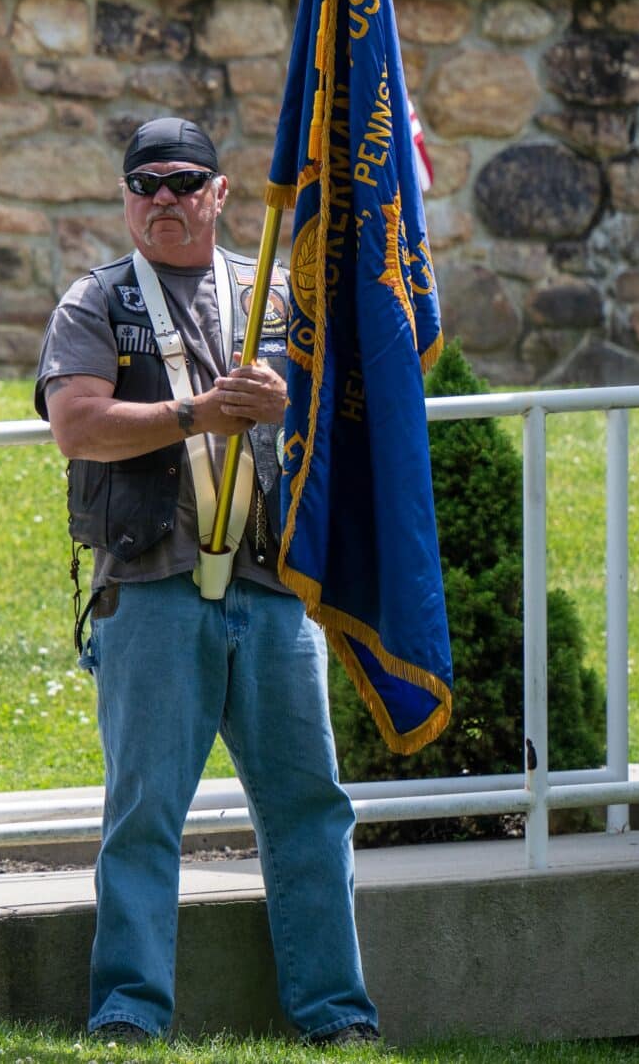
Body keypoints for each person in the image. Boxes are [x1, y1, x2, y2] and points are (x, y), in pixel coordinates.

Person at [35, 116, 380, 1046]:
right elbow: (78, 425)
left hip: (274, 590)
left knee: (311, 808)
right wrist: (198, 412)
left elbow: (345, 406)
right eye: (145, 183)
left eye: (185, 181)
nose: (165, 198)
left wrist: (288, 399)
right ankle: (128, 1012)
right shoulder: (95, 300)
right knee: (142, 815)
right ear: (125, 198)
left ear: (221, 194)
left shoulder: (278, 295)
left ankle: (338, 1013)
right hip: (151, 586)